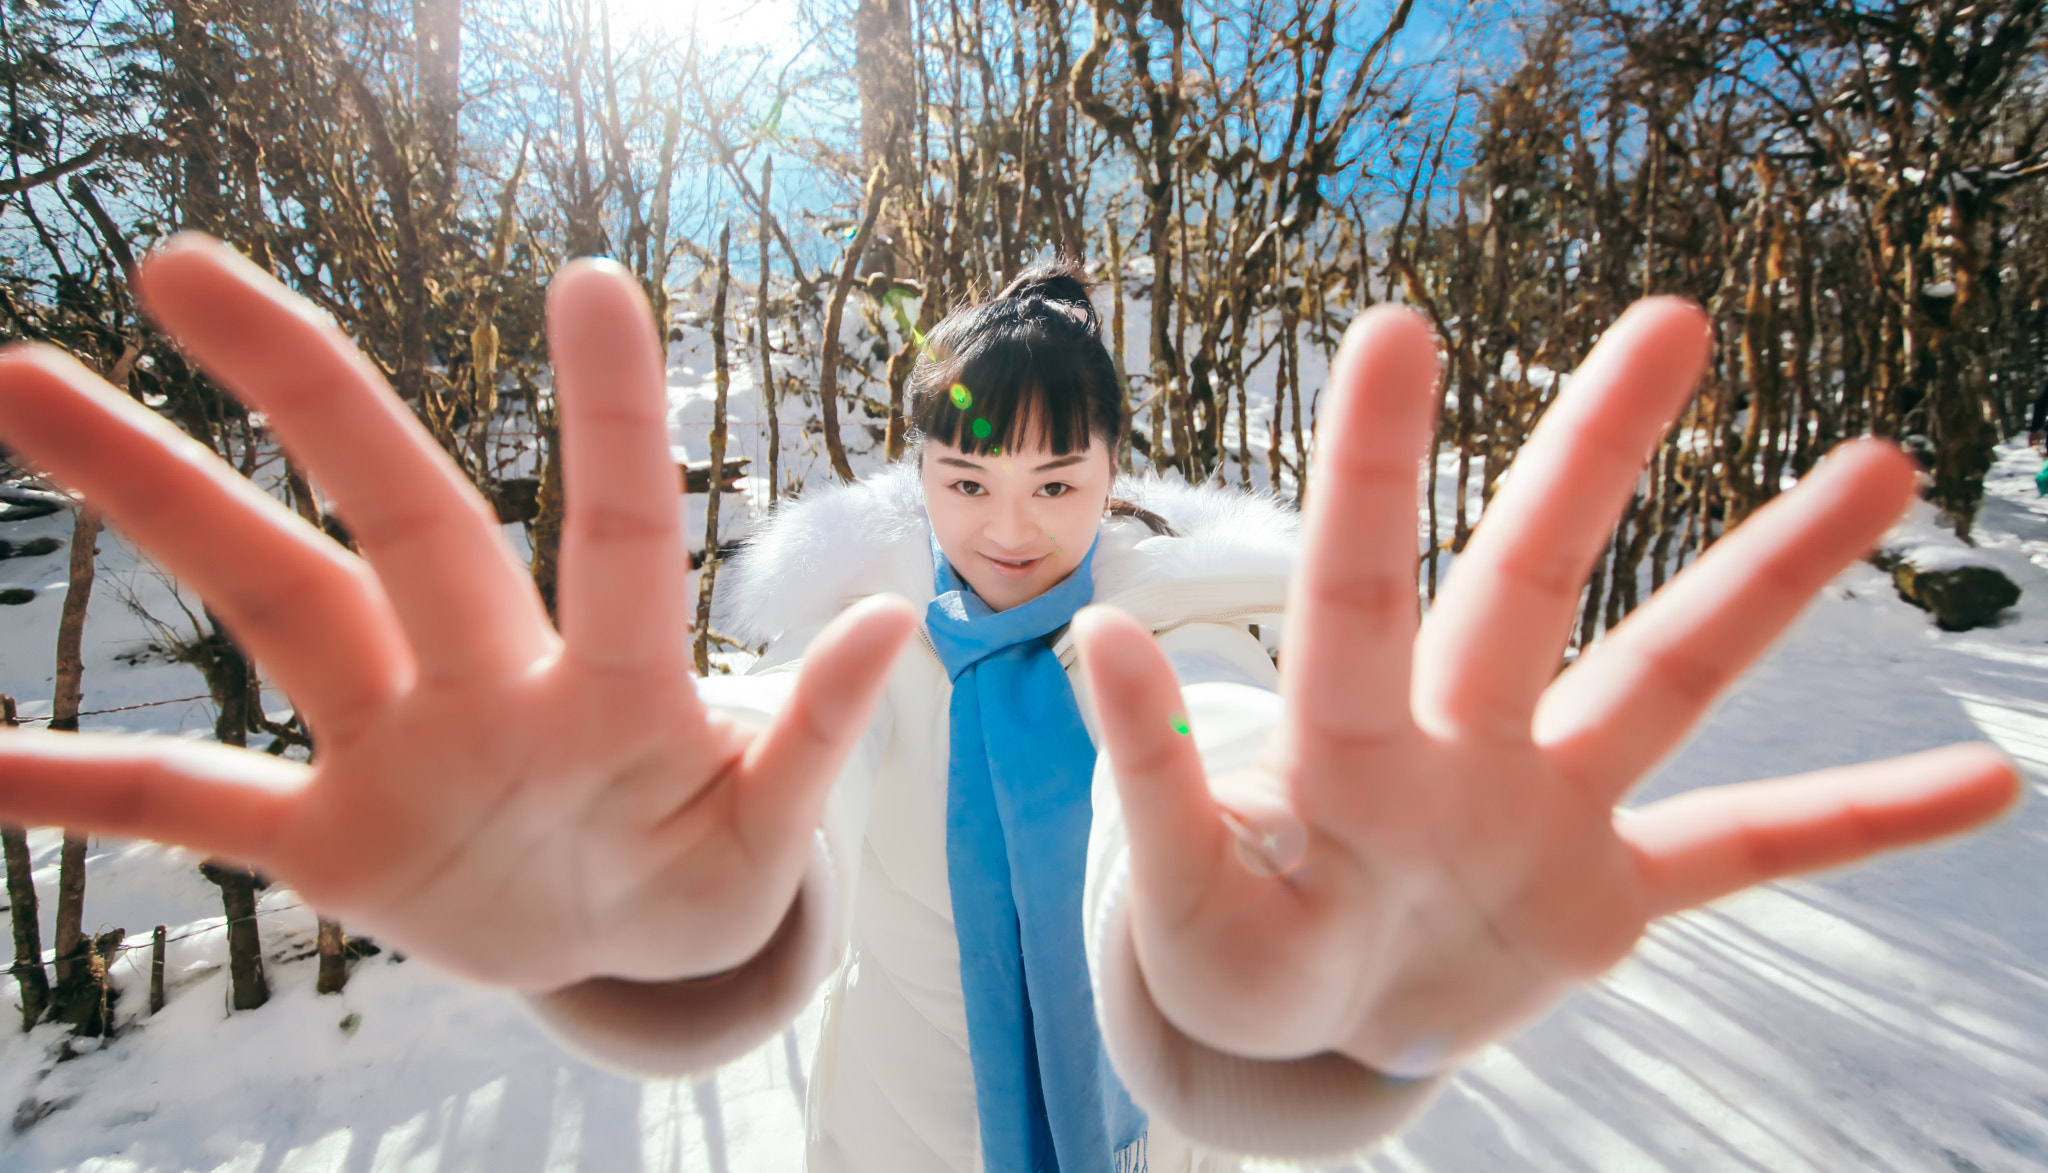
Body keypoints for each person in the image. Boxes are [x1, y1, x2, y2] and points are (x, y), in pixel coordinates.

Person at [0, 236, 2021, 1172]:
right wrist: (644, 953)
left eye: (1056, 477)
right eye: (967, 476)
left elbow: (1240, 888)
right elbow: (723, 845)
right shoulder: (854, 654)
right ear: (920, 479)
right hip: (902, 1137)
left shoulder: (1185, 661)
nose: (1012, 515)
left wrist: (1327, 1008)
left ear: (1108, 475)